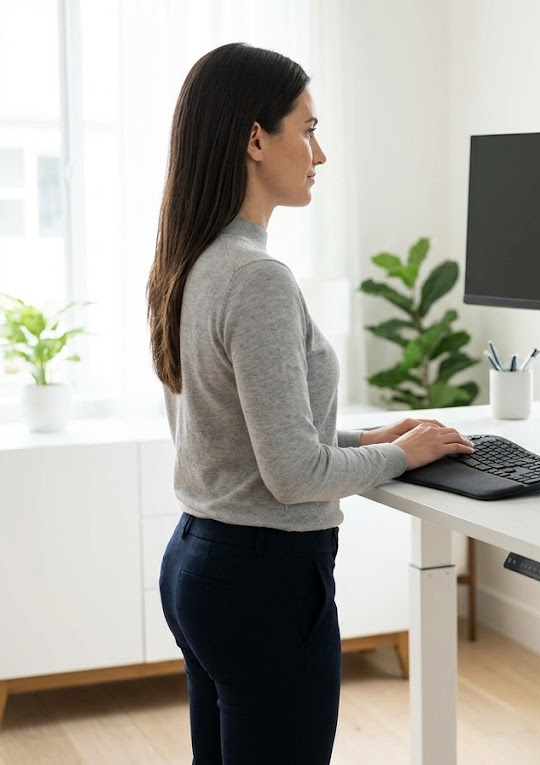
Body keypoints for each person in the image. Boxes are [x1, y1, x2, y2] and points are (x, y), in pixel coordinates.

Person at [146, 42, 473, 765]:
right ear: (256, 139)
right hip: (262, 580)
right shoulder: (256, 278)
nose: (318, 154)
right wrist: (404, 453)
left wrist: (368, 439)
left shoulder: (188, 264)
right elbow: (291, 473)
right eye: (309, 128)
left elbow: (240, 433)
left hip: (199, 561)